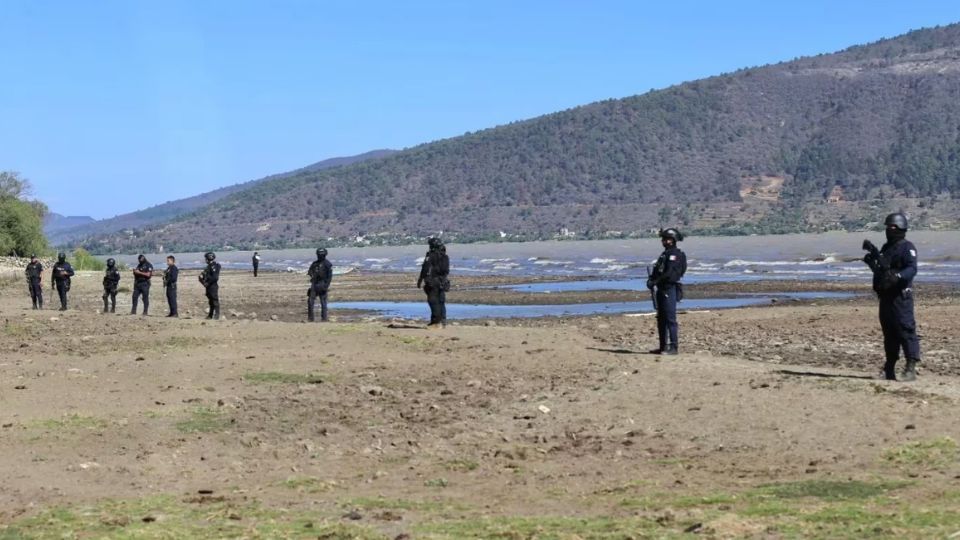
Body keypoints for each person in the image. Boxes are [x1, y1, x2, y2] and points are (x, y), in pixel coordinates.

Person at [863, 212, 921, 381]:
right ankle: (889, 369)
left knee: (905, 330)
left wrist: (898, 277)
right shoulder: (886, 248)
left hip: (901, 297)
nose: (889, 229)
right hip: (886, 297)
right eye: (888, 227)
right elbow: (882, 272)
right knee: (889, 333)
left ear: (901, 227)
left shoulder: (907, 247)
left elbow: (912, 269)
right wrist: (872, 264)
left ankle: (910, 369)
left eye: (893, 227)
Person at [646, 228, 687, 355]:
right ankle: (663, 346)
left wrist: (655, 281)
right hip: (661, 288)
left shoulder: (675, 254)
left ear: (672, 240)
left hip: (669, 288)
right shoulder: (665, 254)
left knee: (670, 319)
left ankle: (673, 347)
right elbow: (658, 270)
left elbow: (669, 273)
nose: (663, 241)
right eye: (663, 239)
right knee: (661, 319)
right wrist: (651, 280)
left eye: (666, 239)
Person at [417, 237, 450, 328]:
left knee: (433, 301)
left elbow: (425, 268)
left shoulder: (430, 256)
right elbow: (446, 271)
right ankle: (442, 321)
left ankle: (436, 322)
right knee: (441, 301)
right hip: (443, 281)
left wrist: (420, 279)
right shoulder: (445, 256)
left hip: (433, 281)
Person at [307, 248, 333, 322]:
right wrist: (312, 275)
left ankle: (324, 318)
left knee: (323, 302)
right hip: (314, 284)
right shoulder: (314, 264)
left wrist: (326, 286)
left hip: (322, 284)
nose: (320, 256)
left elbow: (329, 276)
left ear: (325, 255)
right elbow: (309, 272)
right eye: (319, 255)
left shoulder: (327, 264)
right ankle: (310, 318)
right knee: (310, 301)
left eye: (321, 255)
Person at [199, 252, 221, 320]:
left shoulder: (214, 266)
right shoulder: (208, 266)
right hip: (208, 286)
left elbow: (215, 277)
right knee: (211, 301)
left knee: (215, 300)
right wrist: (202, 280)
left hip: (212, 286)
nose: (205, 260)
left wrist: (207, 283)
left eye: (206, 258)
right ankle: (210, 315)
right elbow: (204, 275)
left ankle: (216, 315)